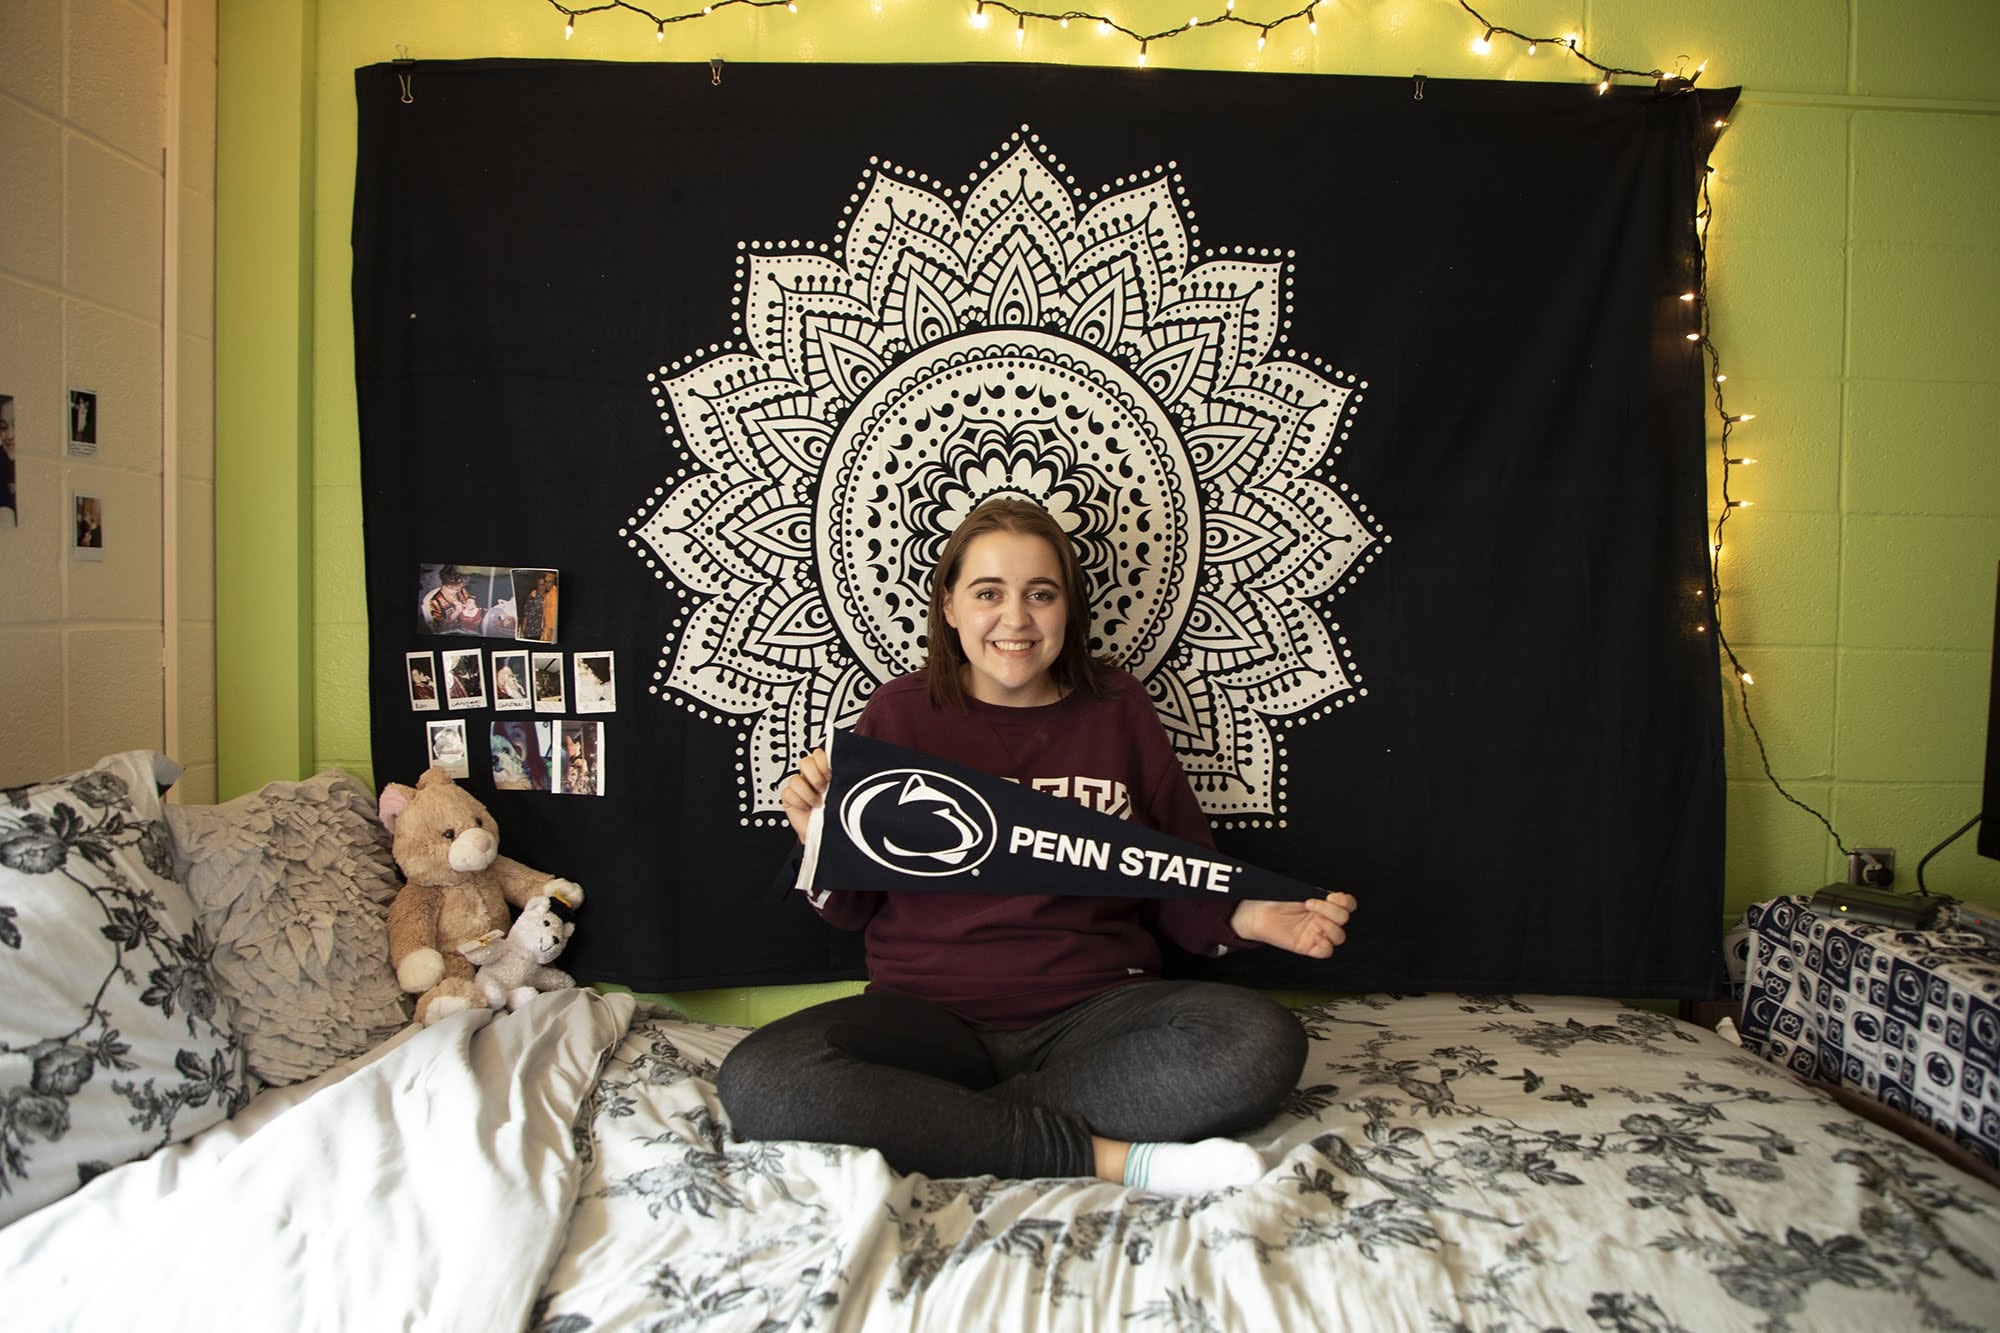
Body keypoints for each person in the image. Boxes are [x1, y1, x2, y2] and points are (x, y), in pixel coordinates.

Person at [716, 496, 1358, 1198]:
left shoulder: (1118, 707)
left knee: (1261, 1041)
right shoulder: (899, 712)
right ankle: (1108, 1157)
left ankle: (945, 1126)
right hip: (928, 1020)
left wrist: (1248, 916)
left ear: (1068, 608)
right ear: (950, 606)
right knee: (762, 1079)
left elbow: (1173, 871)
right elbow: (852, 906)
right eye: (988, 592)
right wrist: (821, 840)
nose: (1015, 619)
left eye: (1041, 594)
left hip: (1094, 1016)